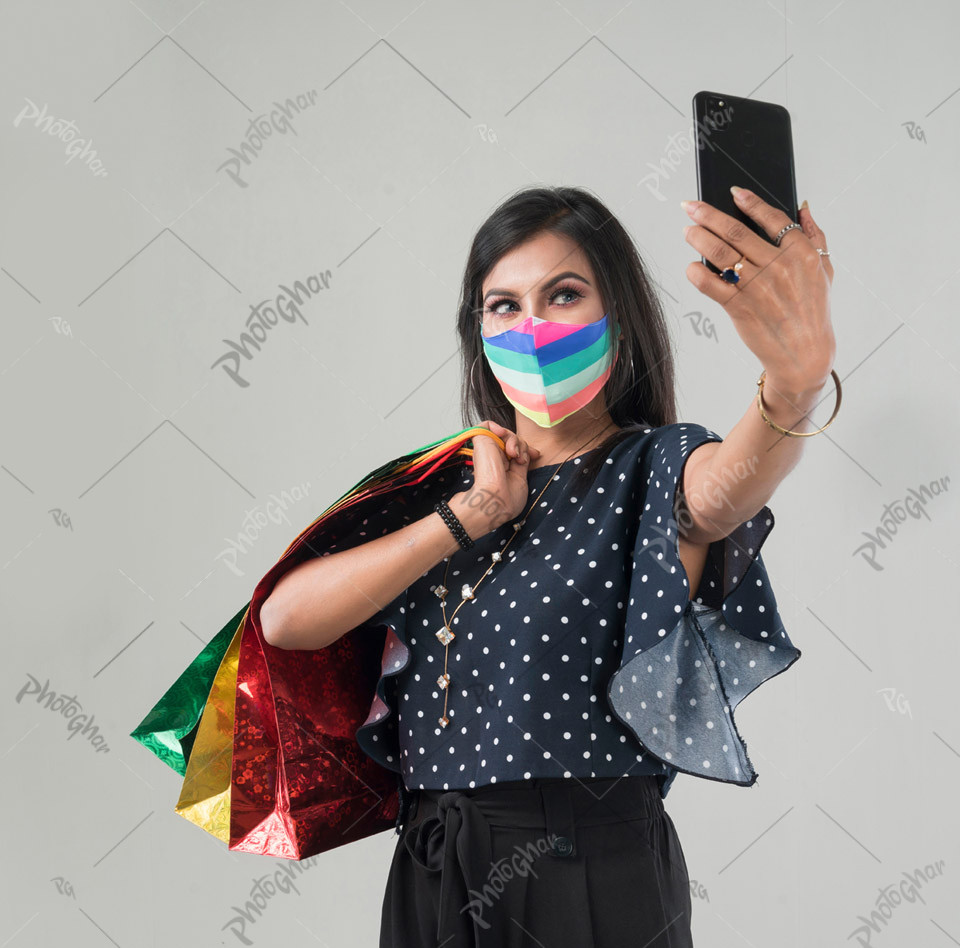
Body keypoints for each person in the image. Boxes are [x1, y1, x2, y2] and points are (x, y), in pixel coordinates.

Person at [260, 184, 838, 947]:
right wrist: (468, 516)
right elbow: (286, 621)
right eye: (503, 305)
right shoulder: (444, 488)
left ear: (619, 317)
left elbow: (719, 498)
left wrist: (793, 386)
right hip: (432, 866)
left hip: (583, 868)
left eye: (562, 294)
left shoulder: (653, 465)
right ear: (478, 330)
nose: (530, 327)